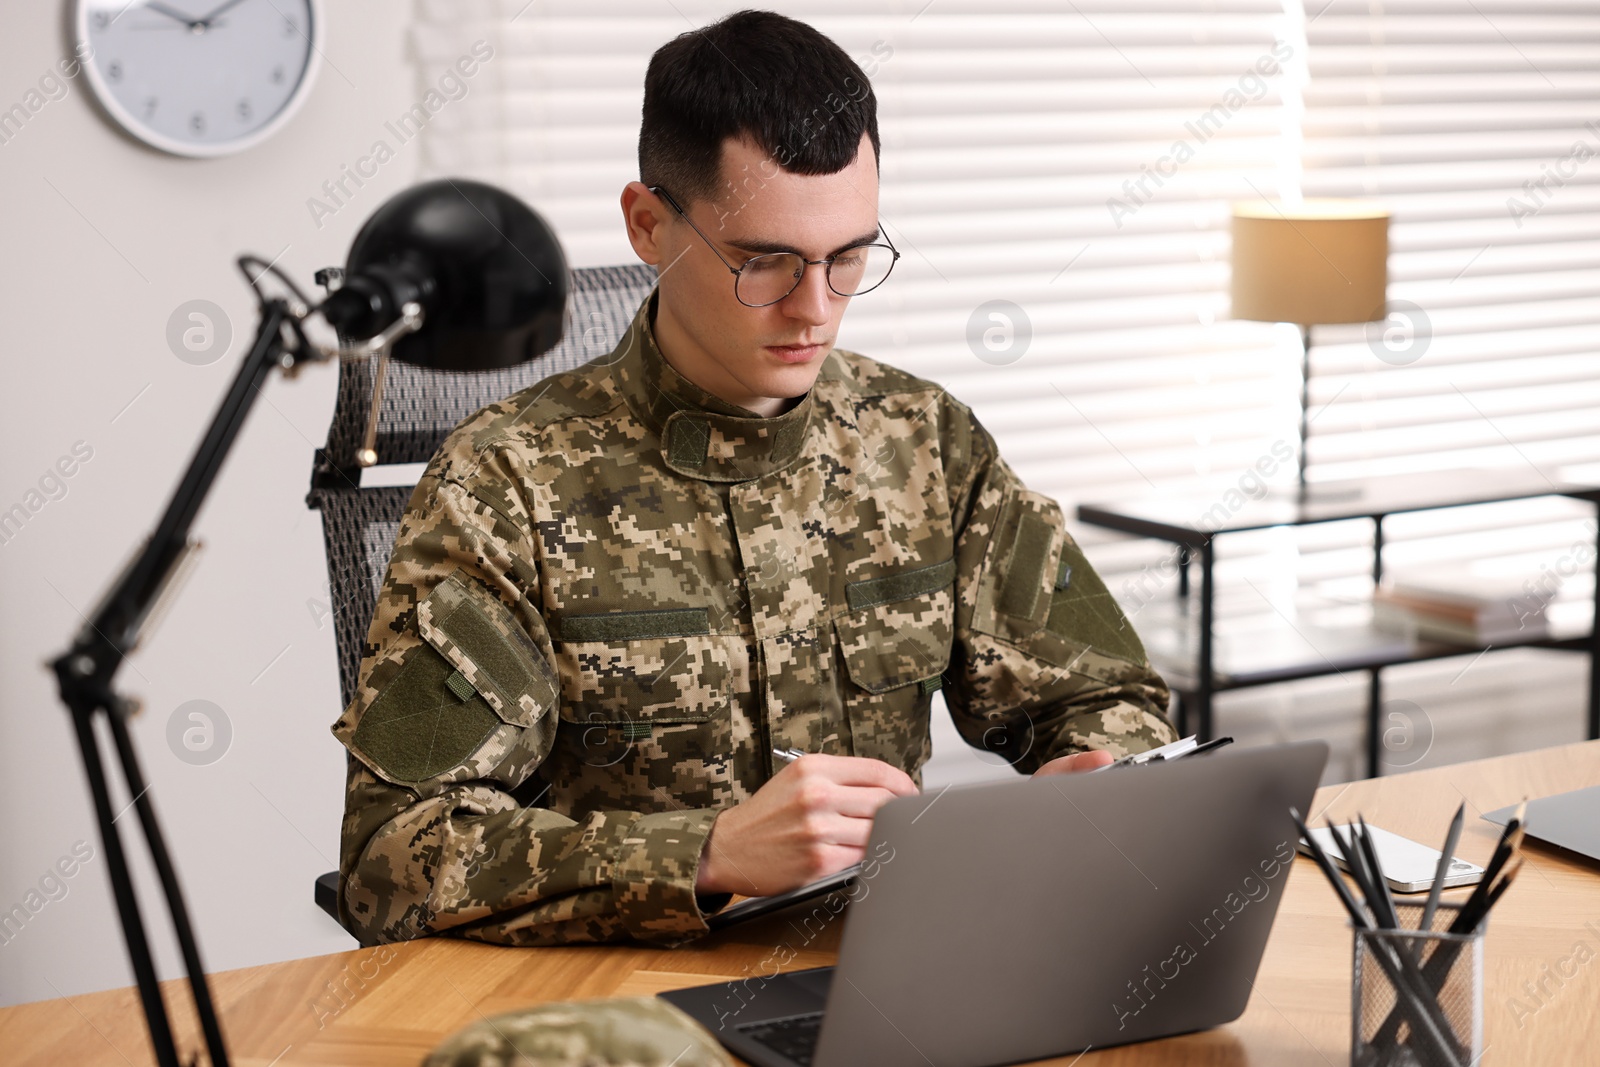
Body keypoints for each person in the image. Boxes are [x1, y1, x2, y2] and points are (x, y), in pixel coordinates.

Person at [332, 9, 1176, 949]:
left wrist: (1097, 778)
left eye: (849, 256)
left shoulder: (927, 442)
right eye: (764, 260)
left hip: (886, 975)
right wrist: (705, 852)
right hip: (613, 1008)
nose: (815, 309)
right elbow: (391, 856)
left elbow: (1103, 699)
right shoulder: (504, 482)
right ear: (649, 225)